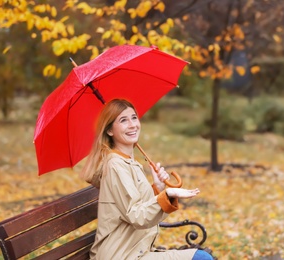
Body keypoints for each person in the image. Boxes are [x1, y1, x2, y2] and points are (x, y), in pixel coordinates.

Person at [80, 99, 213, 260]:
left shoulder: (128, 162)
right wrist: (167, 194)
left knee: (201, 257)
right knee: (202, 258)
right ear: (109, 131)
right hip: (121, 255)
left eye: (134, 117)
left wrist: (157, 188)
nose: (132, 125)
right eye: (123, 120)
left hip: (135, 250)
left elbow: (138, 208)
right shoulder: (116, 166)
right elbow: (137, 217)